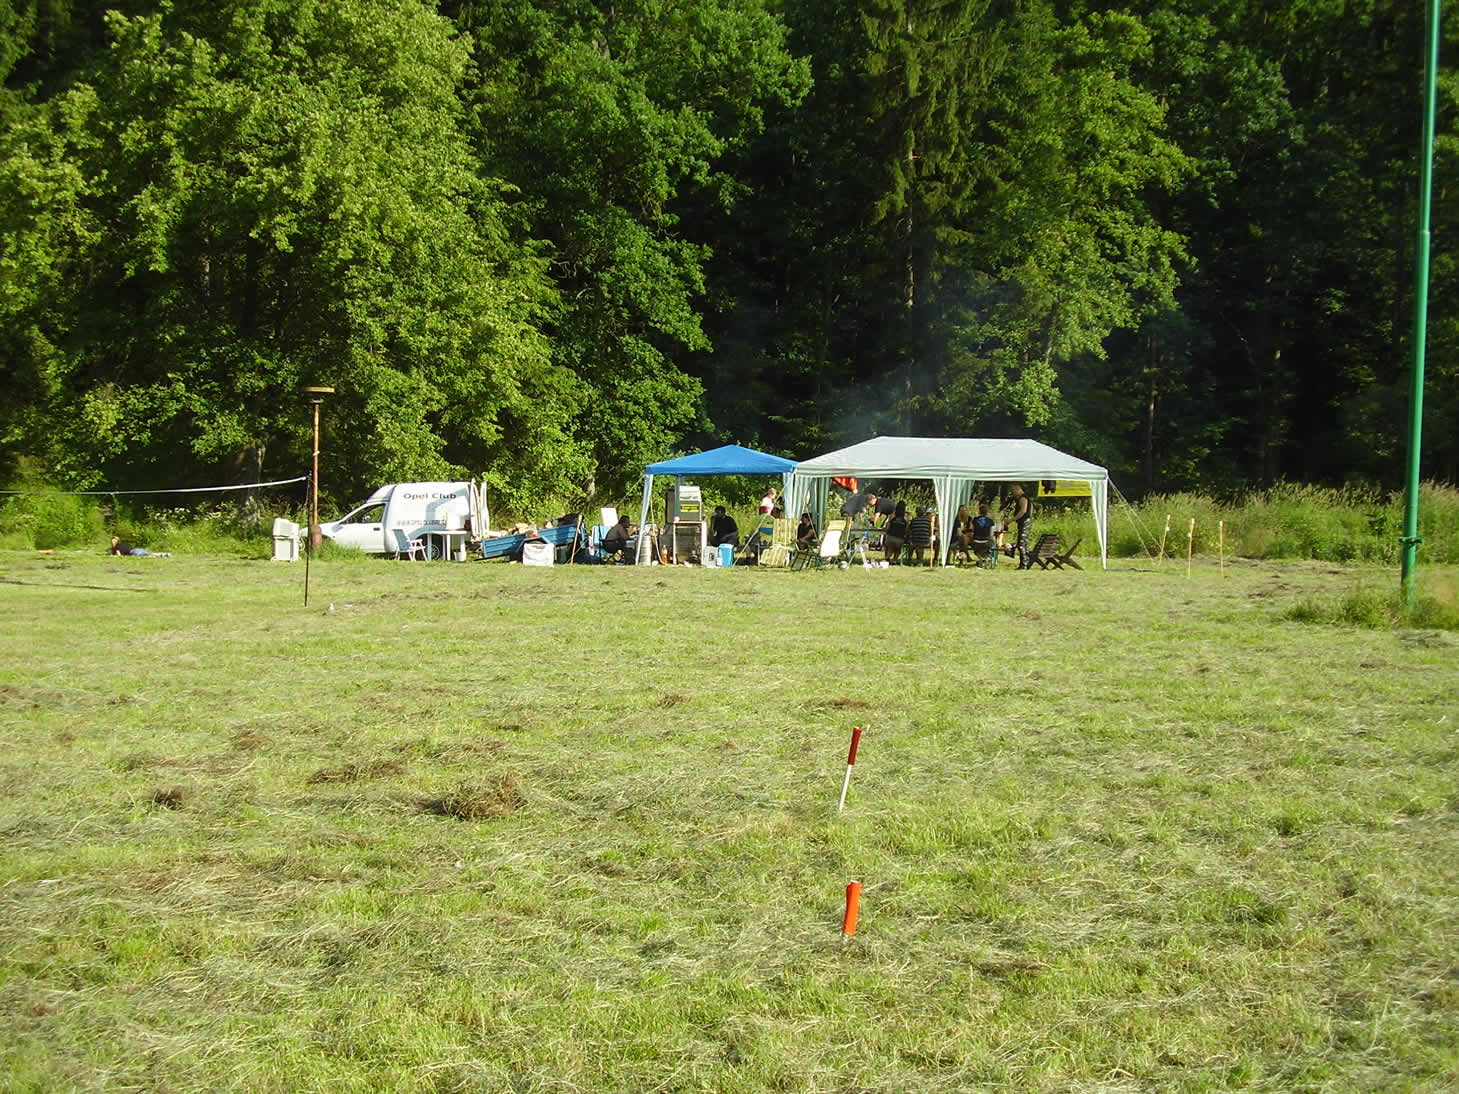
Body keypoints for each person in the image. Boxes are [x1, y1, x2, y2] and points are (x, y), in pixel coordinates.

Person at [1008, 484, 1033, 569]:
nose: (1013, 493)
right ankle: (1025, 562)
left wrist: (1012, 519)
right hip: (1025, 522)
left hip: (1024, 523)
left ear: (1018, 490)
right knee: (1023, 543)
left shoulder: (1023, 498)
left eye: (1013, 491)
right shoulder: (1026, 498)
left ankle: (1024, 564)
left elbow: (1023, 511)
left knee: (1021, 544)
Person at [970, 502, 1001, 568]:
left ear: (979, 511)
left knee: (975, 548)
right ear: (987, 512)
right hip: (986, 542)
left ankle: (981, 559)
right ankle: (984, 559)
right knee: (992, 543)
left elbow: (971, 530)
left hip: (976, 542)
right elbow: (991, 534)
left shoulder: (974, 520)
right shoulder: (990, 521)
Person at [882, 500, 910, 564]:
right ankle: (894, 560)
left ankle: (887, 557)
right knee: (898, 549)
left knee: (890, 547)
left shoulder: (892, 515)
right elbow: (907, 530)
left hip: (890, 538)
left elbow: (887, 528)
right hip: (900, 539)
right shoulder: (906, 517)